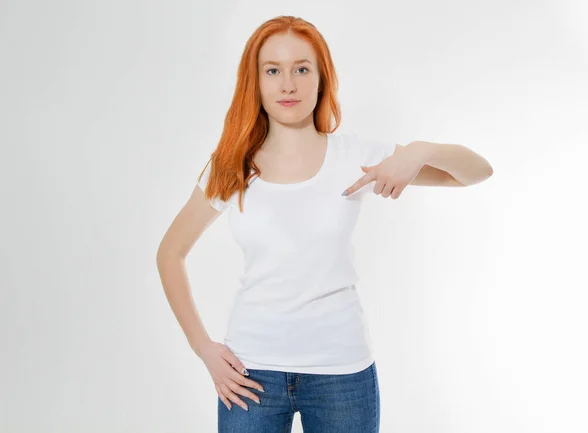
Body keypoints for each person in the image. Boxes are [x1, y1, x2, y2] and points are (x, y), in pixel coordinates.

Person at [156, 15, 493, 433]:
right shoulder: (232, 166)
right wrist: (203, 348)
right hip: (250, 374)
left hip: (342, 375)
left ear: (321, 78)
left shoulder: (357, 155)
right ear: (255, 82)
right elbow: (170, 253)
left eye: (301, 69)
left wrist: (421, 150)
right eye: (273, 71)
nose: (288, 84)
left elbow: (477, 172)